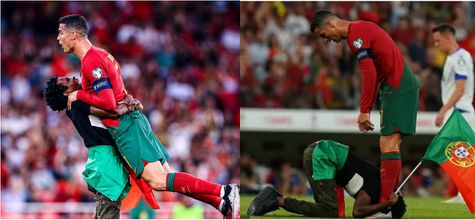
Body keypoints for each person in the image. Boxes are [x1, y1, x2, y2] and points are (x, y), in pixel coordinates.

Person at [55, 14, 239, 218]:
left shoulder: (91, 62)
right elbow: (115, 97)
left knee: (159, 181)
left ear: (73, 35)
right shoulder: (99, 55)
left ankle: (225, 192)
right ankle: (222, 204)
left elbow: (108, 102)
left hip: (126, 127)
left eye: (61, 32)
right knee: (168, 178)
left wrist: (78, 94)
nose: (58, 37)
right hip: (132, 122)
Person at [309, 10, 419, 203]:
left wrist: (364, 110)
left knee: (388, 144)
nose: (327, 40)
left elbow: (369, 73)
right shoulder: (359, 31)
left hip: (398, 86)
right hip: (393, 87)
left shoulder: (357, 35)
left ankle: (384, 204)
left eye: (324, 35)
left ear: (331, 25)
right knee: (390, 144)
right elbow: (374, 72)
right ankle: (388, 198)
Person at [44, 76, 135, 218]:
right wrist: (131, 105)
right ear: (66, 93)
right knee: (108, 213)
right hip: (106, 160)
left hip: (101, 158)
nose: (73, 78)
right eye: (68, 81)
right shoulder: (75, 103)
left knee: (104, 212)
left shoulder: (75, 105)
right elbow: (113, 112)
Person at [247, 140, 407, 218]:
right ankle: (278, 201)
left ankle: (276, 200)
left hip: (323, 154)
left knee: (329, 212)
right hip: (324, 156)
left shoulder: (376, 183)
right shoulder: (374, 188)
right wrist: (386, 204)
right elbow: (358, 212)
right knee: (329, 212)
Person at [432, 24, 475, 204]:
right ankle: (461, 194)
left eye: (438, 41)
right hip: (456, 110)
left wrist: (443, 110)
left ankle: (465, 196)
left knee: (463, 153)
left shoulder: (460, 57)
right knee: (457, 154)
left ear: (449, 38)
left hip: (460, 111)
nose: (436, 45)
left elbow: (460, 89)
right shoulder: (452, 58)